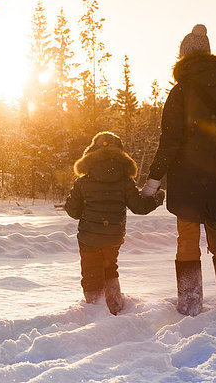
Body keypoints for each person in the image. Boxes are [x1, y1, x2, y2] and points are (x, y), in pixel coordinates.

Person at [141, 24, 216, 319]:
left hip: (186, 175)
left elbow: (170, 141)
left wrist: (153, 180)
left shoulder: (180, 91)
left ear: (183, 56)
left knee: (187, 239)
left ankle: (189, 305)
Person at [65, 131, 165, 315]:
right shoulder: (125, 181)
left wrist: (77, 201)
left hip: (89, 237)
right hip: (113, 236)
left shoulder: (83, 182)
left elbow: (73, 212)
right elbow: (139, 207)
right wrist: (158, 198)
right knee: (110, 268)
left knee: (90, 272)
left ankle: (94, 311)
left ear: (91, 151)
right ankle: (115, 307)